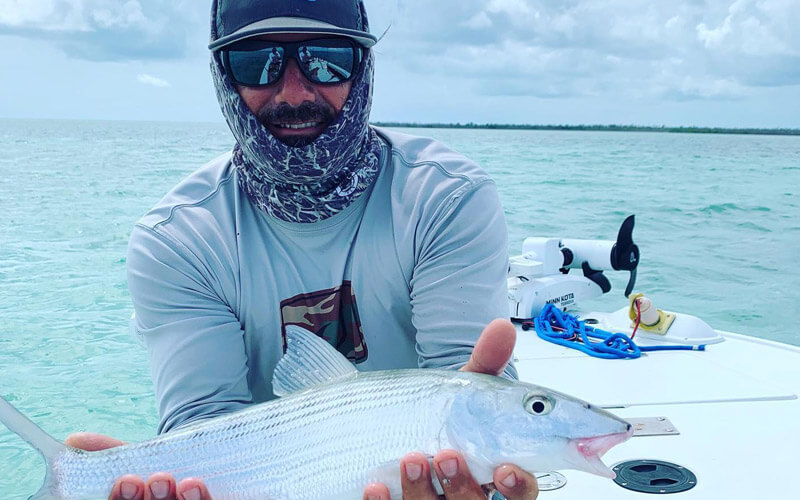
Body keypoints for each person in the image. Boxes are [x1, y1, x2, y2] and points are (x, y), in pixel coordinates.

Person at [66, 1, 540, 499]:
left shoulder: (445, 197)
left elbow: (462, 380)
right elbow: (201, 420)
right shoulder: (177, 240)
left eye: (327, 57)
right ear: (222, 76)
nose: (294, 92)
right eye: (256, 61)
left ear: (364, 67)